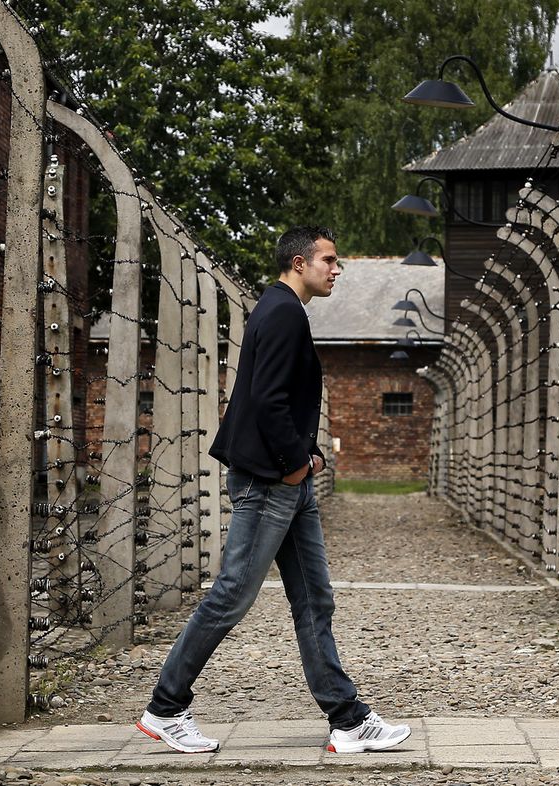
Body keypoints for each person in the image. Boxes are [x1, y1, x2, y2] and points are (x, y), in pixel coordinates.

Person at [136, 226, 411, 755]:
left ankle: (348, 720)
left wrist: (303, 460)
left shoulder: (280, 308)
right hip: (269, 481)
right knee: (232, 594)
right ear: (298, 261)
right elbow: (267, 400)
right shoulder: (283, 311)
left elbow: (272, 396)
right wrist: (291, 464)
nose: (337, 270)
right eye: (329, 261)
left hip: (285, 478)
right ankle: (165, 708)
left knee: (314, 597)